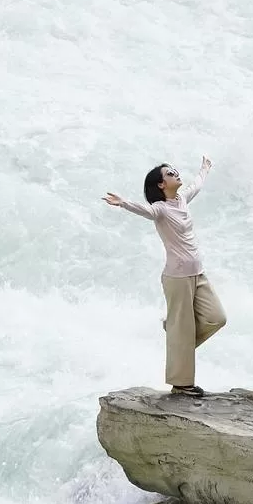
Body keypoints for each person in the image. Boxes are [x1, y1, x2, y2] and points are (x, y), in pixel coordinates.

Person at [103, 158, 226, 398]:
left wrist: (205, 169)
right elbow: (146, 211)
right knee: (183, 332)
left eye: (175, 172)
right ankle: (182, 384)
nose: (176, 174)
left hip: (198, 273)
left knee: (217, 318)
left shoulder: (182, 199)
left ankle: (176, 338)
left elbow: (196, 185)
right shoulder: (160, 209)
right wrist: (123, 203)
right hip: (177, 277)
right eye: (170, 174)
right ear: (161, 184)